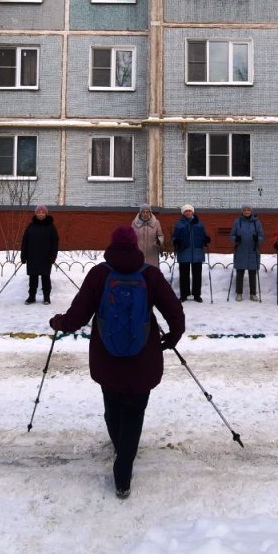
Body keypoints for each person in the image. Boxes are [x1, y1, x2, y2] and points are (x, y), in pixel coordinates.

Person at [49, 225, 185, 499]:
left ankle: (119, 446)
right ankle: (123, 470)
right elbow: (174, 310)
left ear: (112, 245)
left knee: (112, 405)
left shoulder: (100, 274)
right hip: (142, 357)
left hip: (106, 356)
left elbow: (77, 316)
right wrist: (173, 336)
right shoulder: (150, 274)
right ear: (135, 245)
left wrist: (58, 322)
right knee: (135, 411)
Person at [21, 204, 59, 305]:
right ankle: (31, 297)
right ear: (36, 213)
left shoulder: (51, 227)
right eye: (39, 212)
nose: (41, 214)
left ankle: (46, 297)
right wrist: (23, 255)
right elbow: (25, 241)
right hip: (32, 257)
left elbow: (55, 242)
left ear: (46, 214)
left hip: (46, 257)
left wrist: (53, 255)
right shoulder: (31, 226)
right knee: (33, 278)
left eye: (43, 212)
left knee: (45, 277)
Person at [172, 204, 210, 302]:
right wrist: (176, 241)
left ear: (192, 212)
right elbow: (174, 236)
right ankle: (184, 294)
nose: (188, 213)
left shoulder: (199, 223)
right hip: (184, 251)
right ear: (183, 213)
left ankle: (197, 295)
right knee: (184, 275)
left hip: (197, 251)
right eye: (186, 211)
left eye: (189, 211)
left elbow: (204, 235)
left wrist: (206, 239)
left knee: (197, 274)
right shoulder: (179, 224)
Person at [230, 205, 264, 301]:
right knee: (240, 273)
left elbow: (262, 236)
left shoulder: (256, 222)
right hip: (240, 250)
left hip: (253, 251)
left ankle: (253, 294)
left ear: (251, 211)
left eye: (248, 210)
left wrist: (258, 238)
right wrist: (235, 239)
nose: (246, 211)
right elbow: (232, 235)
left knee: (252, 273)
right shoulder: (237, 222)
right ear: (242, 212)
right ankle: (239, 293)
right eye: (244, 210)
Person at [131, 204, 165, 268]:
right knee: (139, 271)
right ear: (140, 213)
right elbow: (131, 236)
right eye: (143, 212)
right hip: (138, 252)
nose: (145, 214)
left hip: (152, 252)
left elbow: (160, 235)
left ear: (150, 212)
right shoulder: (134, 223)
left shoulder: (156, 223)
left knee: (151, 271)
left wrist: (159, 241)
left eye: (147, 212)